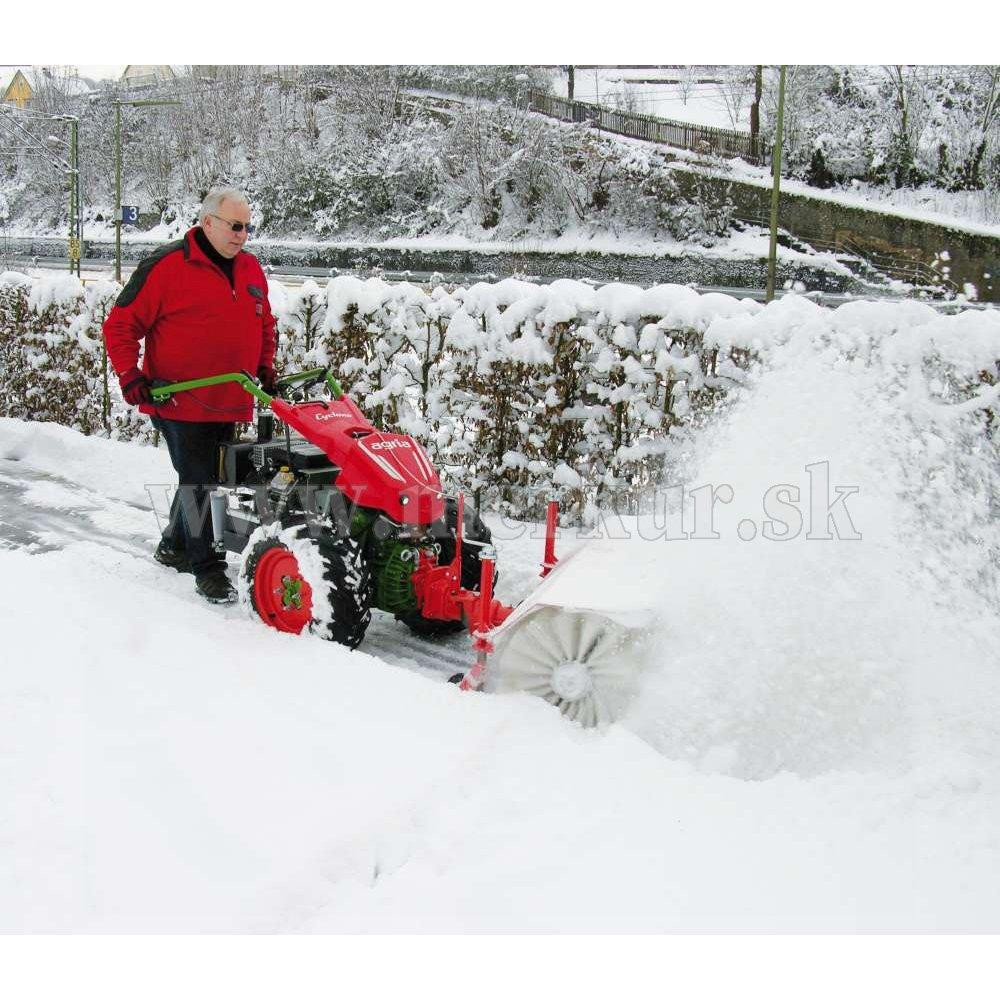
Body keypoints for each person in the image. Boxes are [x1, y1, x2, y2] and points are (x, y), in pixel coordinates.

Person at [103, 187, 277, 604]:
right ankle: (208, 568)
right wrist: (130, 375)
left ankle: (174, 545)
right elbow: (121, 324)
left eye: (247, 227)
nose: (242, 235)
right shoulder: (166, 265)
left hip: (231, 397)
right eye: (235, 226)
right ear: (208, 222)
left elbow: (263, 324)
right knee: (201, 481)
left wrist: (265, 366)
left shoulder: (250, 268)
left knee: (203, 476)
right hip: (179, 399)